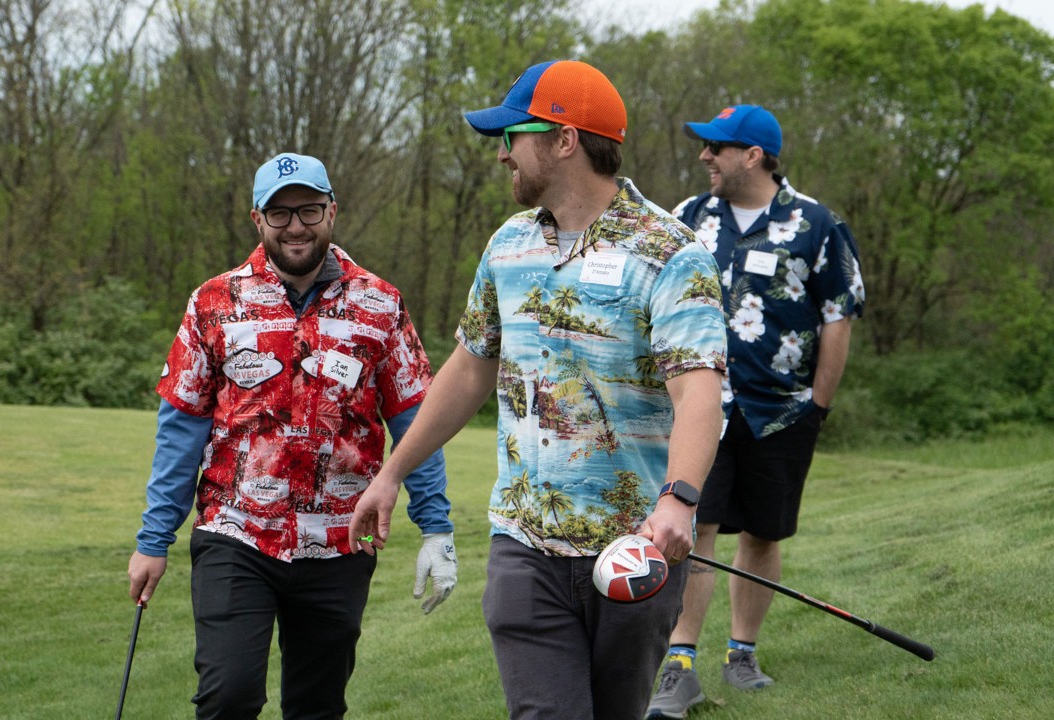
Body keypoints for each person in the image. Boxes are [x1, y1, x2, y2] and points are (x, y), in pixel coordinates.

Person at [347, 60, 727, 720]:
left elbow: (699, 393)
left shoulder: (672, 252)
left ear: (563, 140)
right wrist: (392, 473)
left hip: (635, 551)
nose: (501, 154)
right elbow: (469, 369)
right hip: (524, 546)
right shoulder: (508, 246)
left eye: (512, 135)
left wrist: (679, 501)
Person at [126, 152, 458, 720]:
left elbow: (413, 419)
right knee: (227, 695)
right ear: (257, 220)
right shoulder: (213, 303)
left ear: (333, 211)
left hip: (339, 539)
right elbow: (181, 426)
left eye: (308, 209)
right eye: (279, 214)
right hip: (237, 533)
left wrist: (437, 527)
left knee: (317, 706)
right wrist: (154, 539)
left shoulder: (381, 304)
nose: (296, 226)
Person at [644, 105, 866, 719]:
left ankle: (742, 654)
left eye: (717, 147)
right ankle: (679, 664)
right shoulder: (687, 219)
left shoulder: (817, 225)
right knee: (696, 527)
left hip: (783, 412)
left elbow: (838, 315)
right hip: (700, 410)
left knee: (764, 533)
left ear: (754, 155)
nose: (704, 157)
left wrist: (818, 405)